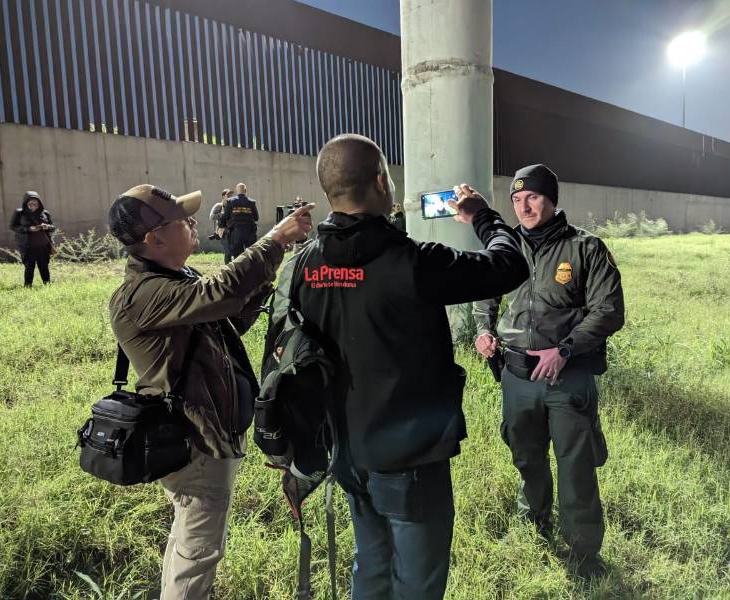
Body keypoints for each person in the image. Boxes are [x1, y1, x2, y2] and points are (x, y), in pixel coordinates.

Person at [267, 134, 529, 599]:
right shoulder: (410, 262)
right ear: (381, 182)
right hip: (408, 461)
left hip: (345, 452)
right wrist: (481, 215)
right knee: (418, 582)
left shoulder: (305, 264)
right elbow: (509, 264)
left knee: (369, 564)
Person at [107, 183, 312, 599]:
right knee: (199, 550)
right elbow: (217, 295)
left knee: (188, 541)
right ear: (154, 239)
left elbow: (224, 321)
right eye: (180, 219)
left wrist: (255, 289)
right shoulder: (144, 294)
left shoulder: (174, 278)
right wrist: (274, 241)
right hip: (195, 442)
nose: (191, 222)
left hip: (206, 433)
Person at [472, 164, 625, 577]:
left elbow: (609, 310)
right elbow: (485, 296)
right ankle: (533, 522)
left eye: (533, 198)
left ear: (551, 199)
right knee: (526, 456)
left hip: (566, 376)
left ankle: (584, 553)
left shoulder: (585, 248)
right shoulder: (506, 248)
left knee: (575, 464)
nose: (524, 207)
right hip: (516, 376)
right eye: (517, 201)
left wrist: (565, 348)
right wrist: (483, 331)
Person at [9, 191, 56, 287]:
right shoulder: (19, 213)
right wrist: (28, 228)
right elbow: (13, 226)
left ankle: (47, 285)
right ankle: (27, 286)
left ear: (39, 203)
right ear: (26, 203)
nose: (33, 205)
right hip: (28, 247)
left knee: (44, 267)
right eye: (30, 203)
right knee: (29, 267)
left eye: (35, 203)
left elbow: (53, 227)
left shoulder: (45, 213)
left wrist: (47, 226)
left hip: (43, 247)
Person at [219, 182, 259, 259]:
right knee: (251, 255)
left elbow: (225, 217)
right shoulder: (252, 202)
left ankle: (240, 270)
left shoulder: (230, 201)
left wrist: (221, 226)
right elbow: (256, 217)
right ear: (245, 191)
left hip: (236, 233)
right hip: (250, 233)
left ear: (237, 190)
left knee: (238, 257)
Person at [209, 188, 233, 264]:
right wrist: (222, 214)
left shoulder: (233, 205)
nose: (230, 196)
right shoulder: (219, 206)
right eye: (228, 195)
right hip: (223, 232)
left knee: (233, 251)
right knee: (228, 251)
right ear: (223, 196)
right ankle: (227, 269)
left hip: (233, 231)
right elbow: (211, 217)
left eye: (231, 195)